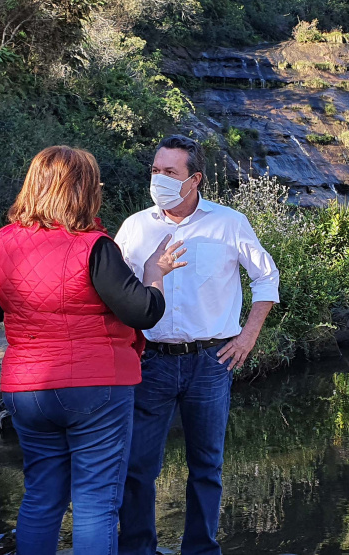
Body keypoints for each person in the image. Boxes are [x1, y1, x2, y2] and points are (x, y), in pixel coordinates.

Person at [0, 145, 188, 555]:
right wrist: (153, 273)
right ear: (83, 191)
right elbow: (144, 311)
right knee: (95, 503)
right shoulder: (94, 246)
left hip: (27, 389)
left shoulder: (1, 242)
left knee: (40, 497)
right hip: (97, 389)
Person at [116, 135, 280, 555]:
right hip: (150, 361)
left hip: (211, 361)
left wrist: (248, 335)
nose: (159, 179)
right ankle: (138, 550)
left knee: (206, 467)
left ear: (195, 179)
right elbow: (115, 292)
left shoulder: (228, 223)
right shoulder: (135, 227)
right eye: (155, 170)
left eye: (170, 172)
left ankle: (201, 550)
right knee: (138, 468)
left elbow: (266, 277)